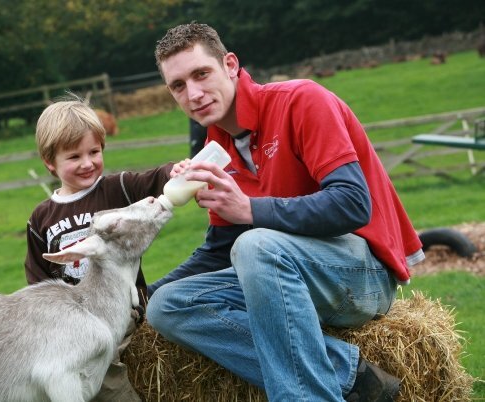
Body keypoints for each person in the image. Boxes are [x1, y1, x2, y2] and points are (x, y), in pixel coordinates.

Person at [146, 22, 425, 401]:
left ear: (230, 65)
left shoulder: (302, 100)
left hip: (362, 277)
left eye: (201, 74)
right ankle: (349, 374)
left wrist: (249, 209)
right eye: (178, 85)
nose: (193, 94)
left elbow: (353, 203)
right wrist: (137, 298)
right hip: (283, 280)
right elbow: (218, 251)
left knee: (256, 246)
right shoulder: (215, 148)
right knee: (168, 305)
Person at [25, 94, 172, 402]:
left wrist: (177, 172)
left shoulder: (118, 188)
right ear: (50, 162)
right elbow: (38, 277)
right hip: (72, 321)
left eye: (94, 151)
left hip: (121, 311)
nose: (87, 163)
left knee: (99, 360)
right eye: (74, 157)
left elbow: (156, 180)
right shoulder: (41, 218)